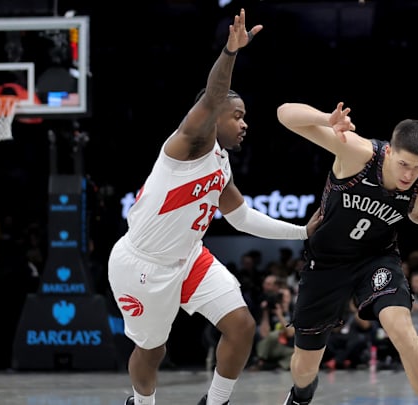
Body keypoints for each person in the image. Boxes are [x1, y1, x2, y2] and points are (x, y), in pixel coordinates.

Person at [108, 10, 321, 405]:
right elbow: (212, 96)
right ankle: (140, 403)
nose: (244, 124)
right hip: (142, 265)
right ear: (213, 117)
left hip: (188, 259)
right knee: (153, 351)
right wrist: (230, 52)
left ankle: (217, 402)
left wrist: (301, 231)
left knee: (241, 325)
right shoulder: (184, 147)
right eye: (237, 116)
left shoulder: (221, 164)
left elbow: (241, 217)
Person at [275, 100, 418, 405]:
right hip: (326, 264)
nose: (408, 175)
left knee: (402, 330)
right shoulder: (358, 153)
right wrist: (325, 118)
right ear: (389, 151)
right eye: (403, 164)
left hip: (375, 259)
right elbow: (284, 114)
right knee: (305, 367)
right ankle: (300, 395)